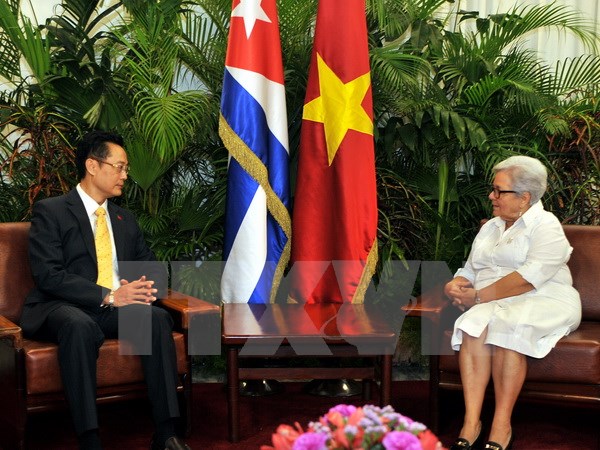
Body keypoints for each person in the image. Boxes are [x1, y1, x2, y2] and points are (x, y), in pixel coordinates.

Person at [20, 131, 191, 450]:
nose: (125, 175)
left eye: (126, 169)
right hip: (63, 306)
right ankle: (89, 439)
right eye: (120, 167)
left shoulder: (125, 219)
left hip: (114, 309)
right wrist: (108, 295)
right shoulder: (52, 211)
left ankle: (166, 433)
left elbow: (152, 268)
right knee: (79, 325)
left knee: (154, 319)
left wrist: (139, 287)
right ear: (92, 166)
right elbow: (49, 275)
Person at [443, 155, 581, 450]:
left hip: (544, 297)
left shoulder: (546, 225)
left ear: (524, 197)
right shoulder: (490, 227)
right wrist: (457, 283)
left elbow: (528, 278)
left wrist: (477, 296)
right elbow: (471, 268)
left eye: (498, 191)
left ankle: (501, 426)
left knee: (507, 326)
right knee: (472, 325)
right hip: (494, 300)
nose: (491, 196)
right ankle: (471, 422)